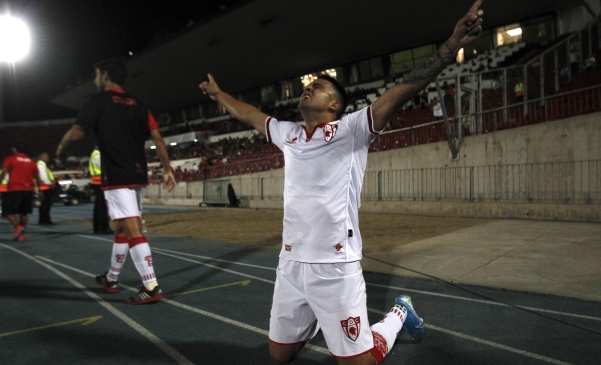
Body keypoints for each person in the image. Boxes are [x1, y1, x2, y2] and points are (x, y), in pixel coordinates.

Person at [199, 1, 484, 363]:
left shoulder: (351, 130)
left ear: (334, 105)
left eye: (316, 86)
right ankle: (325, 319)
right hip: (291, 264)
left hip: (335, 267)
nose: (307, 88)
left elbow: (403, 90)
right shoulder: (288, 134)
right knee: (278, 355)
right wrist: (219, 95)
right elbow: (251, 114)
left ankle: (398, 314)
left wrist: (452, 44)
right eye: (307, 84)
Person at [57, 58, 176, 305]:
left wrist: (61, 149)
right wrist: (167, 170)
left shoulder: (97, 101)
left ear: (106, 75)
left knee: (132, 229)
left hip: (117, 175)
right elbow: (158, 139)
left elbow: (77, 132)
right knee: (122, 227)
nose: (95, 79)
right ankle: (112, 278)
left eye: (97, 75)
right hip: (137, 174)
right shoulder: (140, 106)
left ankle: (151, 286)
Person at [0, 141, 41, 242]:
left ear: (15, 149)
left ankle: (18, 228)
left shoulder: (11, 159)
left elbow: (4, 171)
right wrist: (40, 191)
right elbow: (37, 178)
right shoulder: (32, 161)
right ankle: (21, 235)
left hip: (15, 189)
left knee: (7, 211)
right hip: (28, 190)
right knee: (24, 213)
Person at [89, 145, 112, 234]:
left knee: (98, 206)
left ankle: (97, 226)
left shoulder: (93, 155)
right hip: (100, 182)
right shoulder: (98, 155)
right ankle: (103, 227)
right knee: (102, 206)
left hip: (96, 182)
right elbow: (104, 167)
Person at [36, 152, 56, 225]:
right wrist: (50, 184)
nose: (47, 158)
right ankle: (46, 220)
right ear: (41, 157)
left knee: (43, 205)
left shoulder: (40, 165)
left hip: (42, 187)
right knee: (46, 204)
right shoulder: (41, 165)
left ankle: (42, 219)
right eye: (46, 157)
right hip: (45, 187)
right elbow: (44, 176)